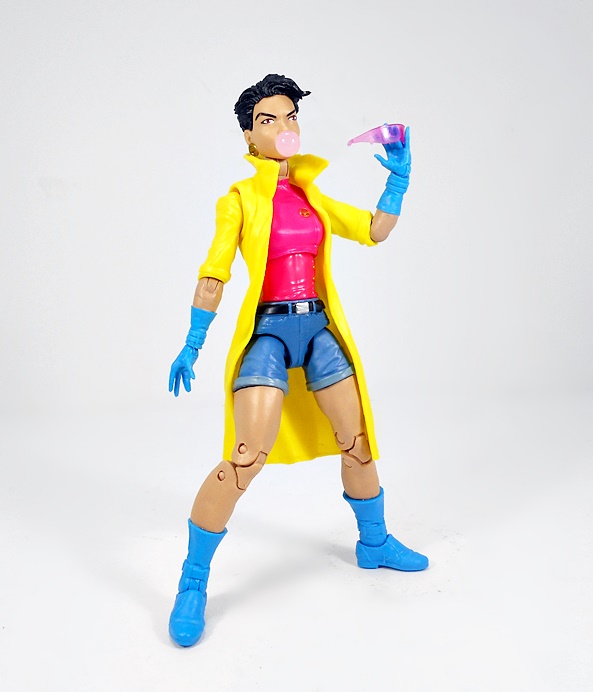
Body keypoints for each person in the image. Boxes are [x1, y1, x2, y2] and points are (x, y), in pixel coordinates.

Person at [167, 74, 428, 647]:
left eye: (290, 117)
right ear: (249, 135)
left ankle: (375, 542)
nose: (283, 127)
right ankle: (193, 581)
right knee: (244, 458)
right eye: (269, 119)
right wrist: (193, 342)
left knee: (356, 441)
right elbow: (214, 273)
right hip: (269, 333)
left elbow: (374, 230)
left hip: (318, 330)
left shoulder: (312, 195)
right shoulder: (240, 199)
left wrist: (398, 181)